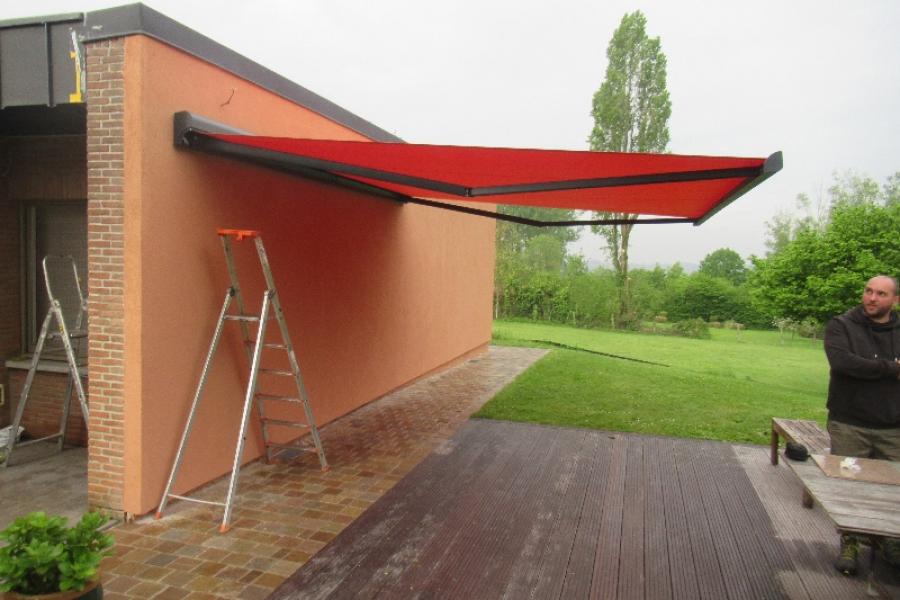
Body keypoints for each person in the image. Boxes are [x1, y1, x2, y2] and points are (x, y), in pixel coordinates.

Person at [824, 274, 900, 576]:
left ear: (894, 300)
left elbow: (860, 366)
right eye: (868, 291)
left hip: (893, 425)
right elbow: (844, 364)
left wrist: (871, 368)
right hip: (849, 422)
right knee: (849, 486)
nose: (871, 298)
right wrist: (892, 368)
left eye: (881, 294)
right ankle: (850, 544)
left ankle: (888, 541)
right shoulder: (841, 325)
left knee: (891, 490)